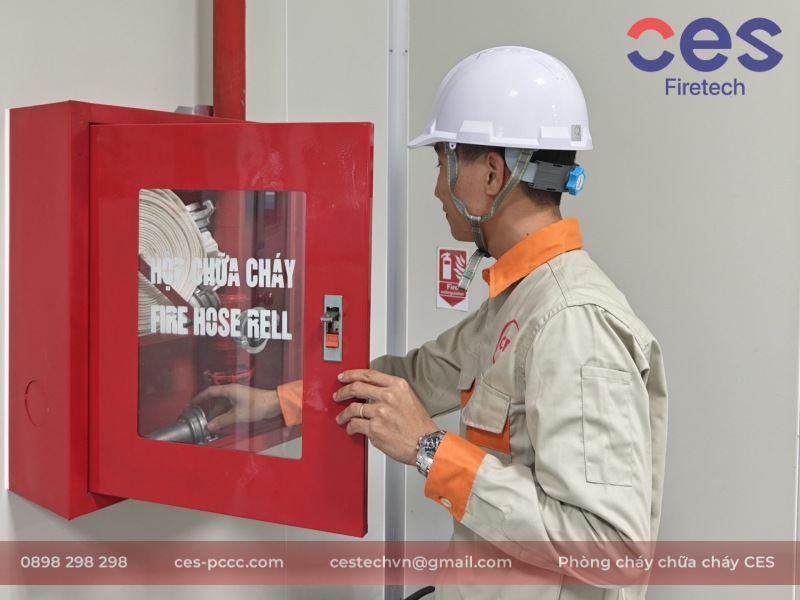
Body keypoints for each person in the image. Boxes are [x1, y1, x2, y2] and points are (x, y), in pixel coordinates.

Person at [195, 46, 669, 600]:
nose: (438, 188)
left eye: (443, 163)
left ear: (491, 173)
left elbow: (614, 550)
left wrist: (429, 448)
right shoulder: (518, 301)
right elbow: (415, 377)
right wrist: (279, 403)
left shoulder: (571, 321)